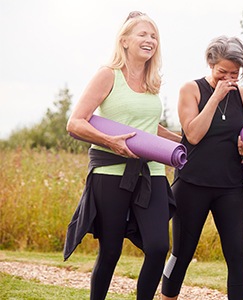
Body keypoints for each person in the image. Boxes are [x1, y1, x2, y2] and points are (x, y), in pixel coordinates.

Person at [63, 11, 181, 300]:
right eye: (143, 34)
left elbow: (149, 127)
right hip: (111, 173)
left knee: (157, 247)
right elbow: (76, 122)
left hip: (150, 172)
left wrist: (185, 143)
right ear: (125, 40)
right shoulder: (108, 75)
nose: (149, 40)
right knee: (111, 250)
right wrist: (109, 141)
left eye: (154, 36)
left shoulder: (153, 83)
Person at [160, 36, 243, 300]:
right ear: (210, 64)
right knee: (181, 253)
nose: (228, 78)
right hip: (191, 184)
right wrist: (215, 97)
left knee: (238, 256)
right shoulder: (190, 90)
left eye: (235, 74)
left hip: (230, 187)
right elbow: (192, 134)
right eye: (222, 72)